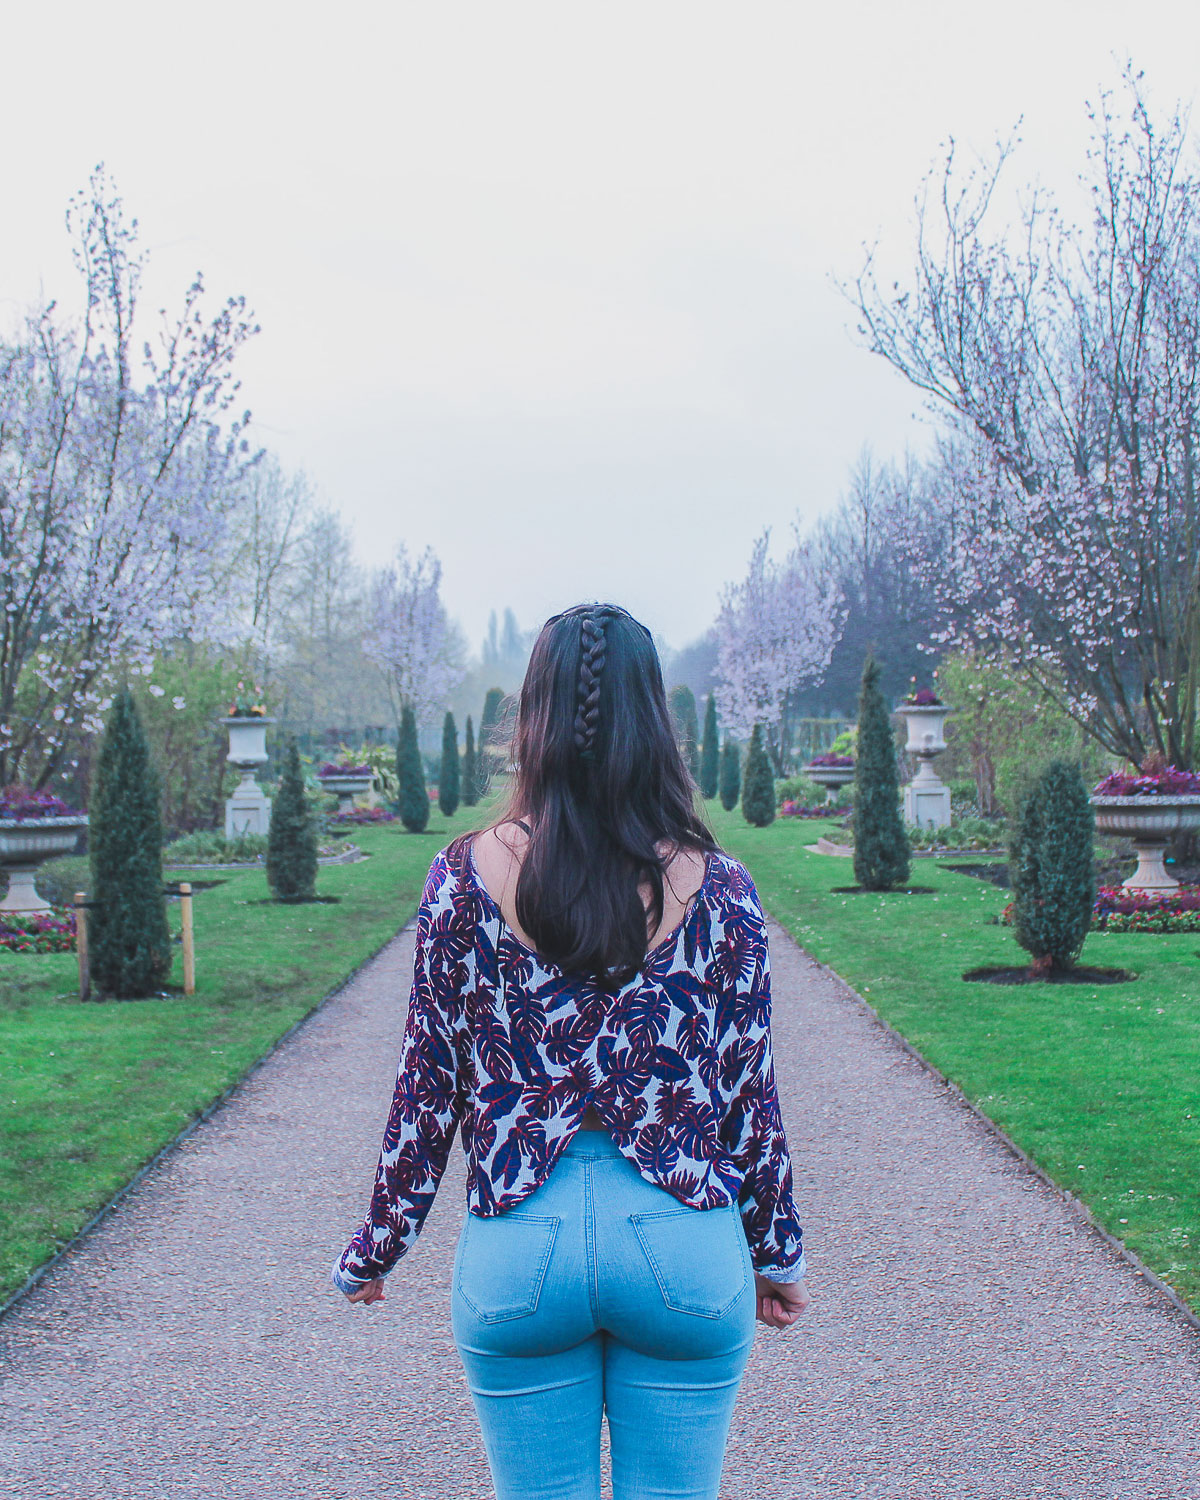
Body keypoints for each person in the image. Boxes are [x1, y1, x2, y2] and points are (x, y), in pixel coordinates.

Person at [332, 602, 809, 1500]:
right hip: (682, 1246)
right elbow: (752, 1098)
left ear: (534, 720)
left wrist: (378, 1247)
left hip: (522, 1245)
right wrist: (775, 1254)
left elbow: (426, 1091)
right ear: (654, 721)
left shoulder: (462, 879)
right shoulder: (722, 890)